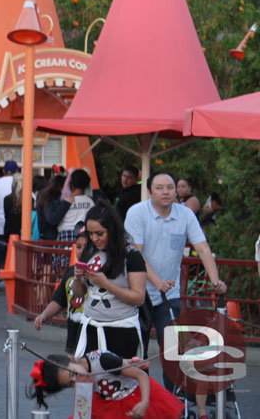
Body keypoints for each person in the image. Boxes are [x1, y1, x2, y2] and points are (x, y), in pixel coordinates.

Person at [124, 170, 227, 392]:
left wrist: (215, 280)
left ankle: (172, 402)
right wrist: (156, 280)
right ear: (150, 191)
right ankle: (139, 398)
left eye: (170, 187)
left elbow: (202, 247)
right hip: (137, 293)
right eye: (159, 188)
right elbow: (135, 254)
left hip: (168, 297)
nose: (166, 192)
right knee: (137, 353)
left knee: (172, 352)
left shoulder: (185, 215)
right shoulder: (137, 213)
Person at [72, 202, 146, 359]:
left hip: (120, 329)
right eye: (91, 234)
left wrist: (106, 285)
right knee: (87, 379)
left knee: (119, 381)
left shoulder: (132, 255)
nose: (94, 238)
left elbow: (139, 298)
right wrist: (77, 278)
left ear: (112, 230)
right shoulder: (90, 250)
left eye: (100, 233)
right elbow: (79, 292)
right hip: (90, 326)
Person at [27, 350, 183, 418]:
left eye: (73, 374)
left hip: (136, 396)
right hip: (108, 403)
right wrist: (128, 363)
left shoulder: (101, 360)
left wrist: (145, 402)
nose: (76, 380)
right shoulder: (82, 374)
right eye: (70, 384)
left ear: (72, 358)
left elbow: (142, 376)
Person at [34, 225, 89, 353]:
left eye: (86, 247)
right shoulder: (70, 272)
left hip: (91, 339)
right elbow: (59, 300)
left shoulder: (98, 274)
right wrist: (43, 316)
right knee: (72, 370)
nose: (81, 251)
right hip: (73, 340)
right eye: (79, 246)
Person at [56, 169, 93, 242]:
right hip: (84, 237)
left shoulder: (66, 201)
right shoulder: (91, 202)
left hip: (65, 237)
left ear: (71, 184)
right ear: (87, 186)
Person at [35, 173, 68, 241]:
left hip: (44, 236)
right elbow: (52, 218)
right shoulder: (50, 199)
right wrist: (66, 204)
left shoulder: (43, 196)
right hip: (51, 237)